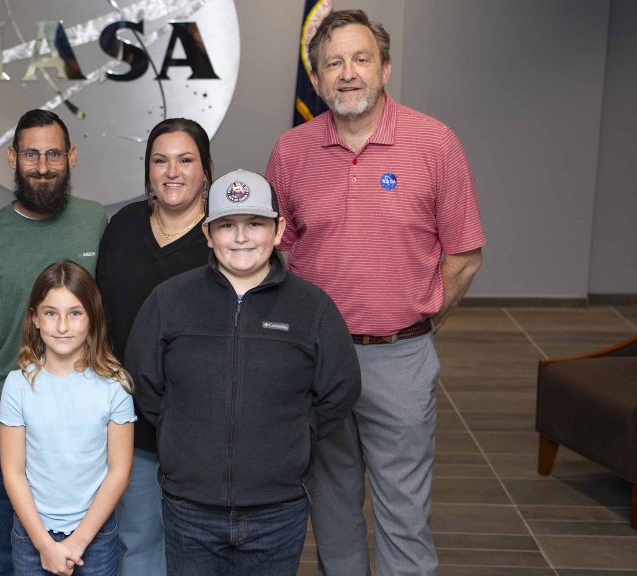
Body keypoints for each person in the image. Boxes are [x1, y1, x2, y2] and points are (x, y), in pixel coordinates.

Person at [265, 9, 486, 575]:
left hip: (401, 357)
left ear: (385, 68)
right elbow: (276, 253)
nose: (347, 73)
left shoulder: (435, 144)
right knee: (332, 512)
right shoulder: (291, 152)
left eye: (361, 59)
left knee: (404, 517)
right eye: (332, 63)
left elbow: (463, 255)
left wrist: (419, 324)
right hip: (319, 363)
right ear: (315, 81)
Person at [126, 169, 361, 576]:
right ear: (207, 233)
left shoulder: (312, 308)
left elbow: (342, 387)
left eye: (255, 223)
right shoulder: (169, 301)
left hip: (278, 508)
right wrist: (178, 431)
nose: (240, 237)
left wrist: (297, 435)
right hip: (190, 506)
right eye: (227, 225)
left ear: (278, 229)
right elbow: (142, 382)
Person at [0, 109, 107, 575]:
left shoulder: (95, 222)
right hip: (12, 429)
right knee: (5, 555)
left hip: (86, 427)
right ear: (12, 158)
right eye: (32, 154)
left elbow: (109, 315)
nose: (43, 166)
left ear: (72, 157)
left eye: (54, 154)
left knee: (92, 552)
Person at [95, 117, 212, 576]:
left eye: (186, 160)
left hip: (199, 430)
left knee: (198, 550)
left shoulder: (224, 238)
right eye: (159, 161)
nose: (172, 172)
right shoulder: (123, 226)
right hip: (131, 425)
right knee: (139, 542)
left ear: (206, 168)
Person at [0, 260, 135, 576]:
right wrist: (44, 545)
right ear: (35, 317)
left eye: (75, 313)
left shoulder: (116, 385)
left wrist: (79, 541)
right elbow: (13, 473)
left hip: (96, 535)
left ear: (92, 319)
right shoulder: (17, 386)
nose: (62, 326)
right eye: (50, 313)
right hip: (33, 534)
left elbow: (119, 471)